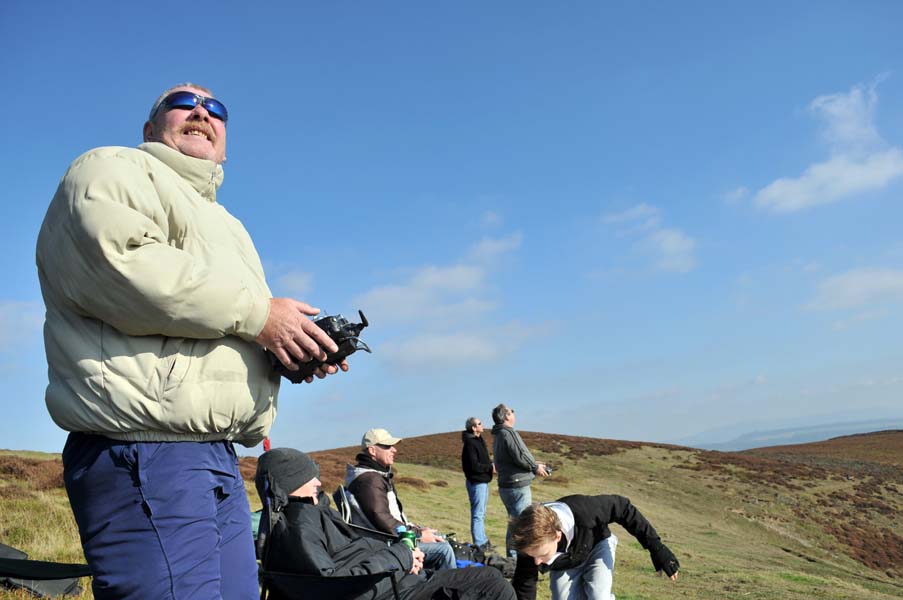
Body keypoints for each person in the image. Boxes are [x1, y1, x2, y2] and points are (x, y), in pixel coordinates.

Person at [35, 83, 347, 599]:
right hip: (144, 448)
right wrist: (259, 314)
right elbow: (121, 264)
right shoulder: (111, 167)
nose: (201, 112)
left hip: (216, 454)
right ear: (150, 129)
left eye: (216, 109)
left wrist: (286, 352)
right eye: (182, 103)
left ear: (225, 142)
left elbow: (217, 327)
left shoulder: (226, 224)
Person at [256, 448, 516, 600]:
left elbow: (352, 555)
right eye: (309, 477)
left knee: (492, 578)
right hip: (389, 588)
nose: (318, 482)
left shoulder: (308, 515)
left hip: (394, 578)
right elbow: (334, 584)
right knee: (492, 585)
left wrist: (403, 554)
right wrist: (401, 555)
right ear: (289, 482)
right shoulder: (299, 525)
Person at [509, 496, 680, 600]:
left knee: (599, 596)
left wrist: (657, 548)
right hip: (566, 563)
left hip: (596, 547)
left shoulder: (586, 511)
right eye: (533, 557)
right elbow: (525, 587)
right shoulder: (530, 546)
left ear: (557, 535)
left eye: (542, 555)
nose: (537, 562)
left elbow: (623, 507)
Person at [345, 428, 457, 571]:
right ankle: (452, 589)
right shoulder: (370, 480)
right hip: (387, 544)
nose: (394, 450)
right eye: (387, 446)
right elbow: (382, 518)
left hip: (391, 539)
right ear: (372, 451)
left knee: (439, 537)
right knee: (444, 549)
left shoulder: (373, 476)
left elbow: (387, 519)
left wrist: (417, 529)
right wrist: (418, 535)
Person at [491, 403, 550, 557]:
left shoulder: (498, 435)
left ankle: (513, 559)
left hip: (507, 485)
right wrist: (534, 467)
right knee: (522, 524)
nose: (514, 414)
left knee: (514, 524)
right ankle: (518, 560)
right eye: (512, 411)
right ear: (506, 416)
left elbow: (513, 458)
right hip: (517, 486)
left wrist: (534, 464)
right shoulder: (508, 433)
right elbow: (521, 454)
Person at [461, 416, 494, 550]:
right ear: (474, 428)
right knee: (478, 514)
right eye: (479, 424)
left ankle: (482, 541)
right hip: (477, 482)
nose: (482, 425)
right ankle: (480, 544)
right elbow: (474, 465)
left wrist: (490, 465)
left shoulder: (478, 440)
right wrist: (490, 467)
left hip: (482, 481)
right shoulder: (470, 443)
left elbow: (482, 461)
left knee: (480, 513)